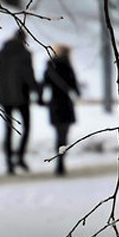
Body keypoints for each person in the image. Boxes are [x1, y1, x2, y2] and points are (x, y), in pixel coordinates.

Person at [0, 29, 38, 175]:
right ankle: (20, 156)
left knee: (8, 130)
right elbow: (28, 75)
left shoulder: (1, 53)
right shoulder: (25, 54)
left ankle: (9, 162)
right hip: (22, 97)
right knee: (27, 127)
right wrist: (37, 90)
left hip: (5, 98)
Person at [40, 45, 80, 176]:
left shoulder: (50, 68)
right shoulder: (68, 67)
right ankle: (61, 162)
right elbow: (74, 86)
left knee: (58, 134)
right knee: (64, 135)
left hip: (54, 104)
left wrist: (40, 100)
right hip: (66, 104)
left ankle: (59, 161)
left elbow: (43, 84)